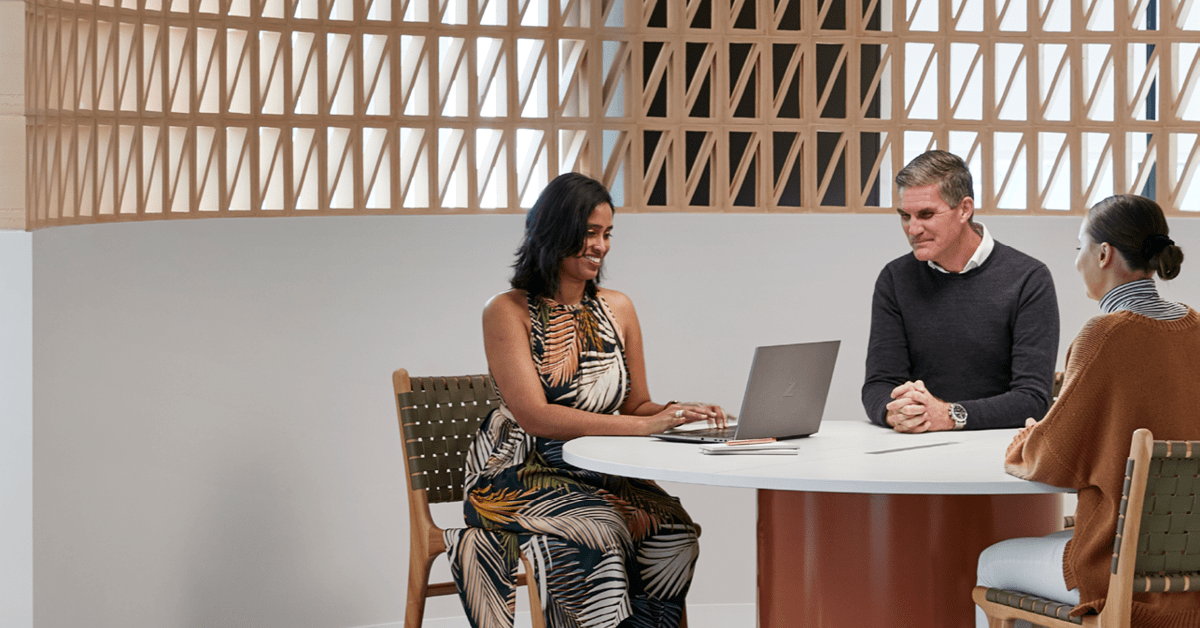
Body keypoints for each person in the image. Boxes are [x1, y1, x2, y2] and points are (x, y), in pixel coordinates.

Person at [447, 172, 725, 628]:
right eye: (589, 232)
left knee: (673, 530)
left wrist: (676, 413)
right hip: (519, 473)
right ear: (554, 232)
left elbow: (637, 405)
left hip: (595, 471)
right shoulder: (507, 310)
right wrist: (644, 426)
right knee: (600, 532)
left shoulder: (618, 308)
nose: (601, 246)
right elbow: (536, 417)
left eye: (607, 233)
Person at [976, 194, 1200, 627]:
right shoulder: (1195, 329)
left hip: (1112, 568)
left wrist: (1027, 437)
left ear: (1103, 254)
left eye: (1080, 247)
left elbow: (1050, 460)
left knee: (990, 563)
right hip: (1189, 575)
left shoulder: (1104, 336)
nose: (1077, 260)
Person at [862, 150, 1060, 432]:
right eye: (905, 216)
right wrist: (894, 412)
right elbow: (879, 384)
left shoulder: (1029, 278)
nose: (913, 229)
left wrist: (950, 415)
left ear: (964, 210)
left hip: (1000, 445)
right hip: (917, 442)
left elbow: (1032, 399)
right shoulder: (895, 278)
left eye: (926, 214)